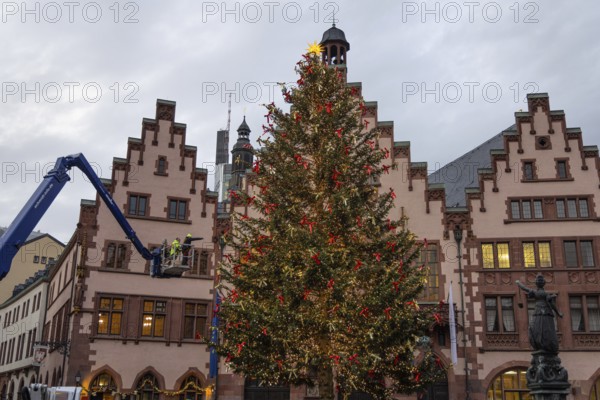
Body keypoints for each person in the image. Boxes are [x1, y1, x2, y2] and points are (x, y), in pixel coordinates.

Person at [516, 275, 563, 353]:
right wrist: (558, 313)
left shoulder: (536, 292)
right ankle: (542, 342)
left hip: (539, 311)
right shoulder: (544, 294)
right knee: (541, 326)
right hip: (544, 312)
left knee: (539, 326)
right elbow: (552, 305)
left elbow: (524, 288)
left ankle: (541, 342)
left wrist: (518, 283)